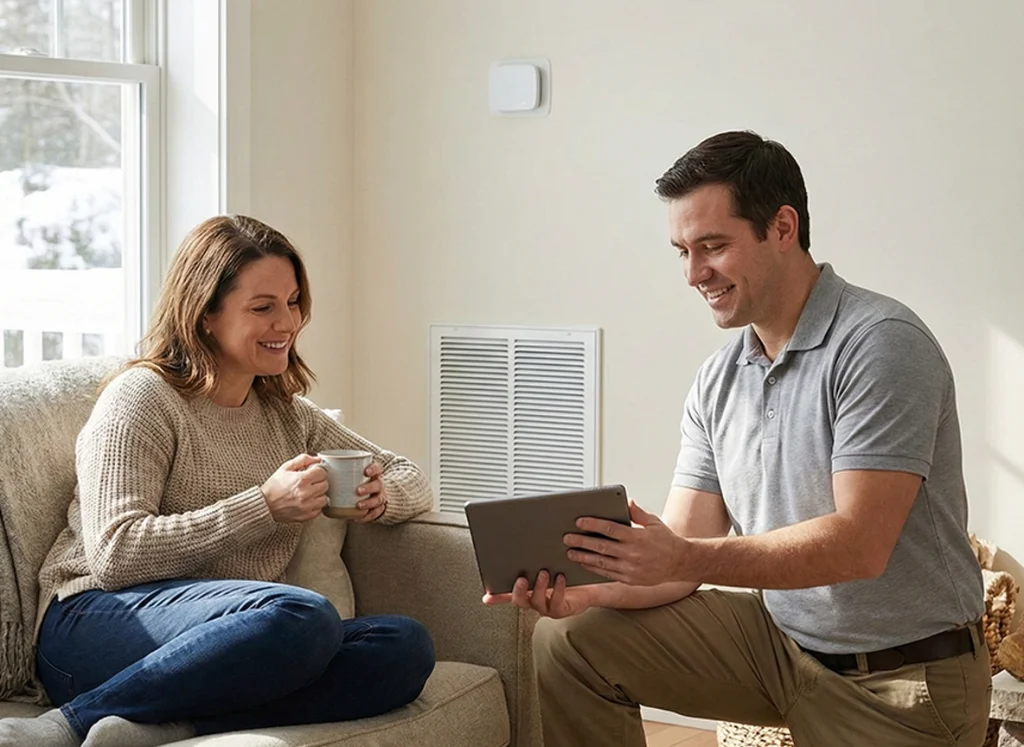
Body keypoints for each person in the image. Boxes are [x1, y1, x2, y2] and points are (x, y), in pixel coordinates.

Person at [486, 131, 990, 746]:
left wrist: (685, 557)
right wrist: (591, 593)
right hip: (781, 648)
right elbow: (684, 550)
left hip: (899, 677)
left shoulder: (881, 343)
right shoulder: (720, 378)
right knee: (572, 641)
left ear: (783, 227)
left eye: (713, 246)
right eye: (682, 251)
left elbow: (860, 547)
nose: (695, 273)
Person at [0, 215, 436, 747]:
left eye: (294, 302)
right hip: (96, 619)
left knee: (402, 645)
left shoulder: (288, 414)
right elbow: (116, 553)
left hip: (228, 634)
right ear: (206, 313)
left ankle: (170, 724)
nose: (288, 323)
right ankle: (66, 724)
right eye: (263, 308)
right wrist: (264, 507)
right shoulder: (143, 399)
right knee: (301, 614)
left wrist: (382, 494)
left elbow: (408, 473)